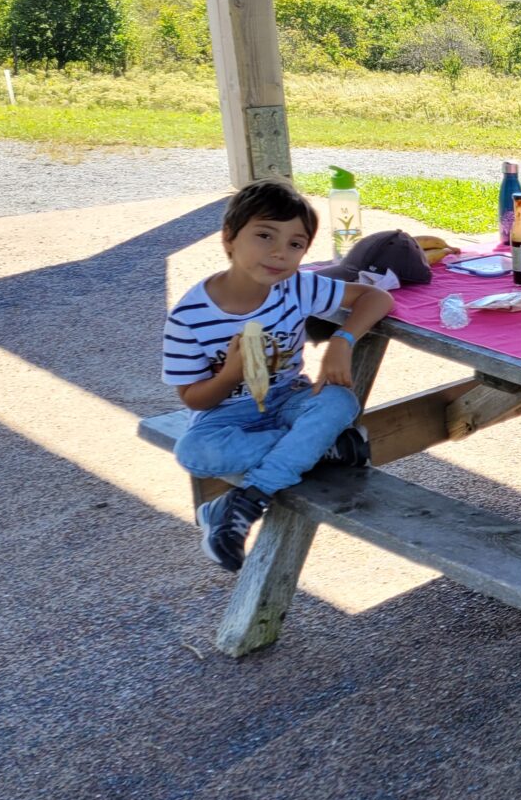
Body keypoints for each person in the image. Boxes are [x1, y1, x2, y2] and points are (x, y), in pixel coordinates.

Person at [164, 180, 394, 572]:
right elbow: (193, 398)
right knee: (193, 452)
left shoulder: (296, 286)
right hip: (226, 416)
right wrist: (232, 373)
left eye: (295, 244)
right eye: (265, 235)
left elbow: (378, 297)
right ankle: (320, 448)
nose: (279, 253)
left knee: (339, 400)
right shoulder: (189, 317)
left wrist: (342, 340)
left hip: (289, 398)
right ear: (229, 239)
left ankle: (243, 502)